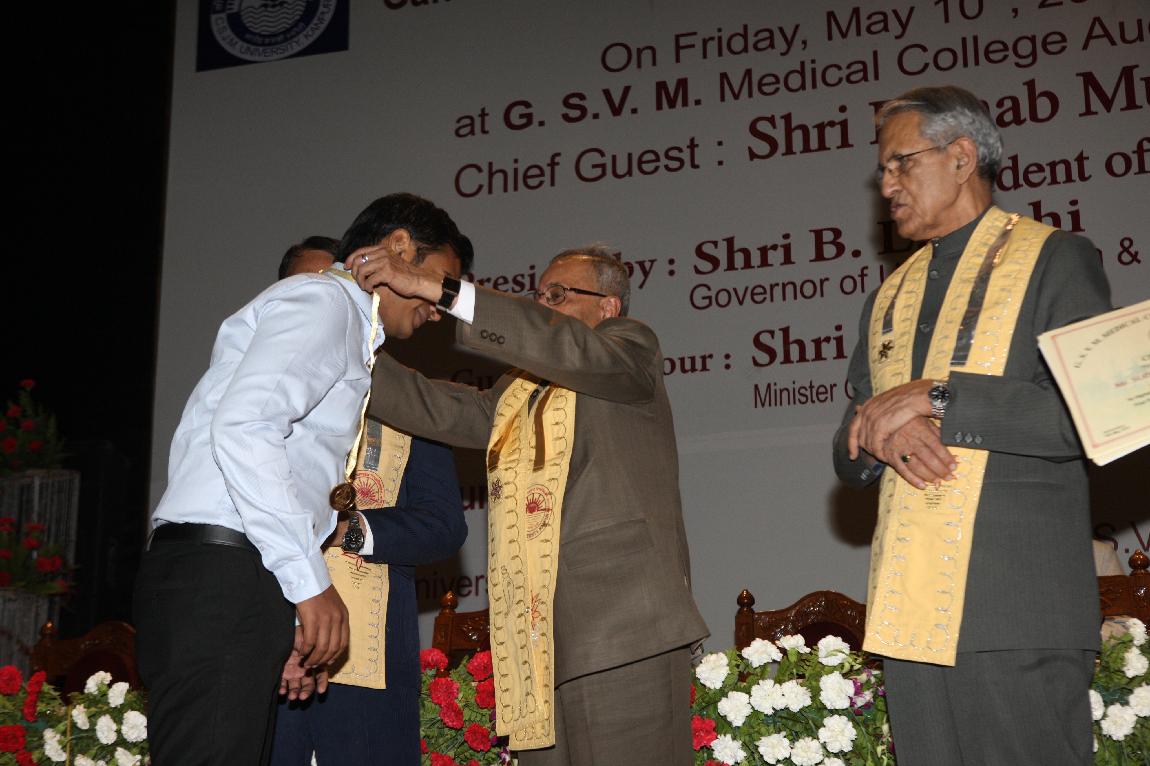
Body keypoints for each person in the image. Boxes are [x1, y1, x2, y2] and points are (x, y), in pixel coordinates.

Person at [344, 244, 709, 765]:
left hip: (623, 627)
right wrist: (344, 346)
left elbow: (567, 348)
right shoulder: (518, 391)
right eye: (538, 296)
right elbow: (441, 408)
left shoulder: (629, 349)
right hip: (533, 639)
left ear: (608, 307)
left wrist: (439, 289)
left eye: (558, 295)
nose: (541, 306)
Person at [832, 86, 1112, 765]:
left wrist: (940, 398)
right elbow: (850, 440)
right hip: (909, 615)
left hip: (1014, 605)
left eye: (901, 163)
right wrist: (881, 435)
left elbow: (1092, 415)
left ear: (962, 157)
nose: (886, 185)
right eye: (882, 170)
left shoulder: (1055, 258)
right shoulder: (888, 295)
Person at [134, 193, 465, 765]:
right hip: (224, 574)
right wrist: (310, 585)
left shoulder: (338, 320)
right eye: (440, 281)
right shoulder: (325, 302)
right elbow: (245, 428)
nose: (439, 308)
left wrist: (281, 623)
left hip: (233, 577)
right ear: (400, 247)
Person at [270, 234, 472, 765]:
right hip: (262, 654)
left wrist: (350, 529)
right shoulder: (256, 398)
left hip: (367, 663)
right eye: (307, 290)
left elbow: (444, 526)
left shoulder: (406, 399)